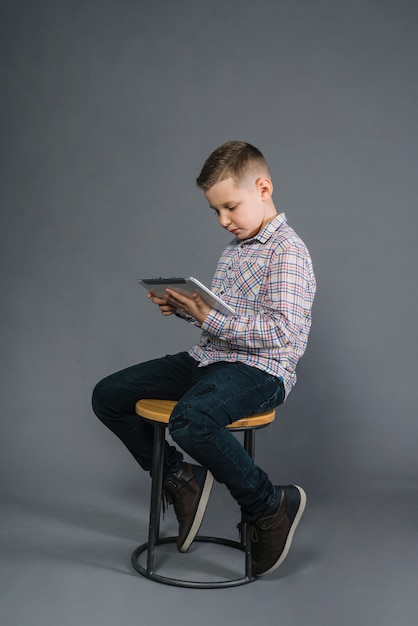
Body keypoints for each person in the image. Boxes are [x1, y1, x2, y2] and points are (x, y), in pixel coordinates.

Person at [92, 141, 316, 577]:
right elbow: (225, 323)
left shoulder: (287, 252)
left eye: (230, 207)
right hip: (210, 359)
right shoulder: (232, 252)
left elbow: (283, 334)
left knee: (192, 420)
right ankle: (182, 480)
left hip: (262, 371)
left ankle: (270, 506)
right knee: (109, 395)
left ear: (264, 188)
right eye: (215, 212)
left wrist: (210, 318)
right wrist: (188, 311)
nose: (224, 220)